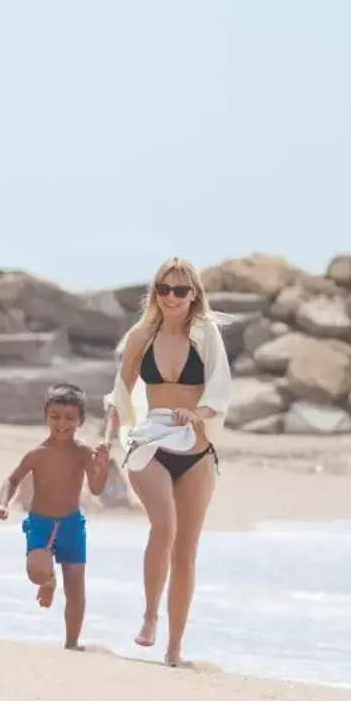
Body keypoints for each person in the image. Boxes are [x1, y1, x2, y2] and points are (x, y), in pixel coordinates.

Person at [107, 257, 233, 666]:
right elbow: (121, 393)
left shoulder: (206, 334)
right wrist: (108, 439)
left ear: (194, 294)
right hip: (150, 443)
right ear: (155, 292)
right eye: (164, 288)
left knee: (186, 550)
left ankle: (175, 647)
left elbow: (220, 388)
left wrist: (199, 415)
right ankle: (149, 616)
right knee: (165, 526)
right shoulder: (142, 334)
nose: (172, 297)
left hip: (195, 448)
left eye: (181, 290)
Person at [0, 383, 111, 650]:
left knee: (76, 590)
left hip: (71, 524)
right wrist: (2, 503)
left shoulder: (83, 452)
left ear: (80, 421)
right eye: (55, 416)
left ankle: (71, 644)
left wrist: (101, 467)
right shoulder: (37, 455)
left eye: (70, 418)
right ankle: (48, 580)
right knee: (36, 572)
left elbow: (96, 488)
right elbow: (12, 479)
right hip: (41, 523)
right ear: (46, 416)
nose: (62, 424)